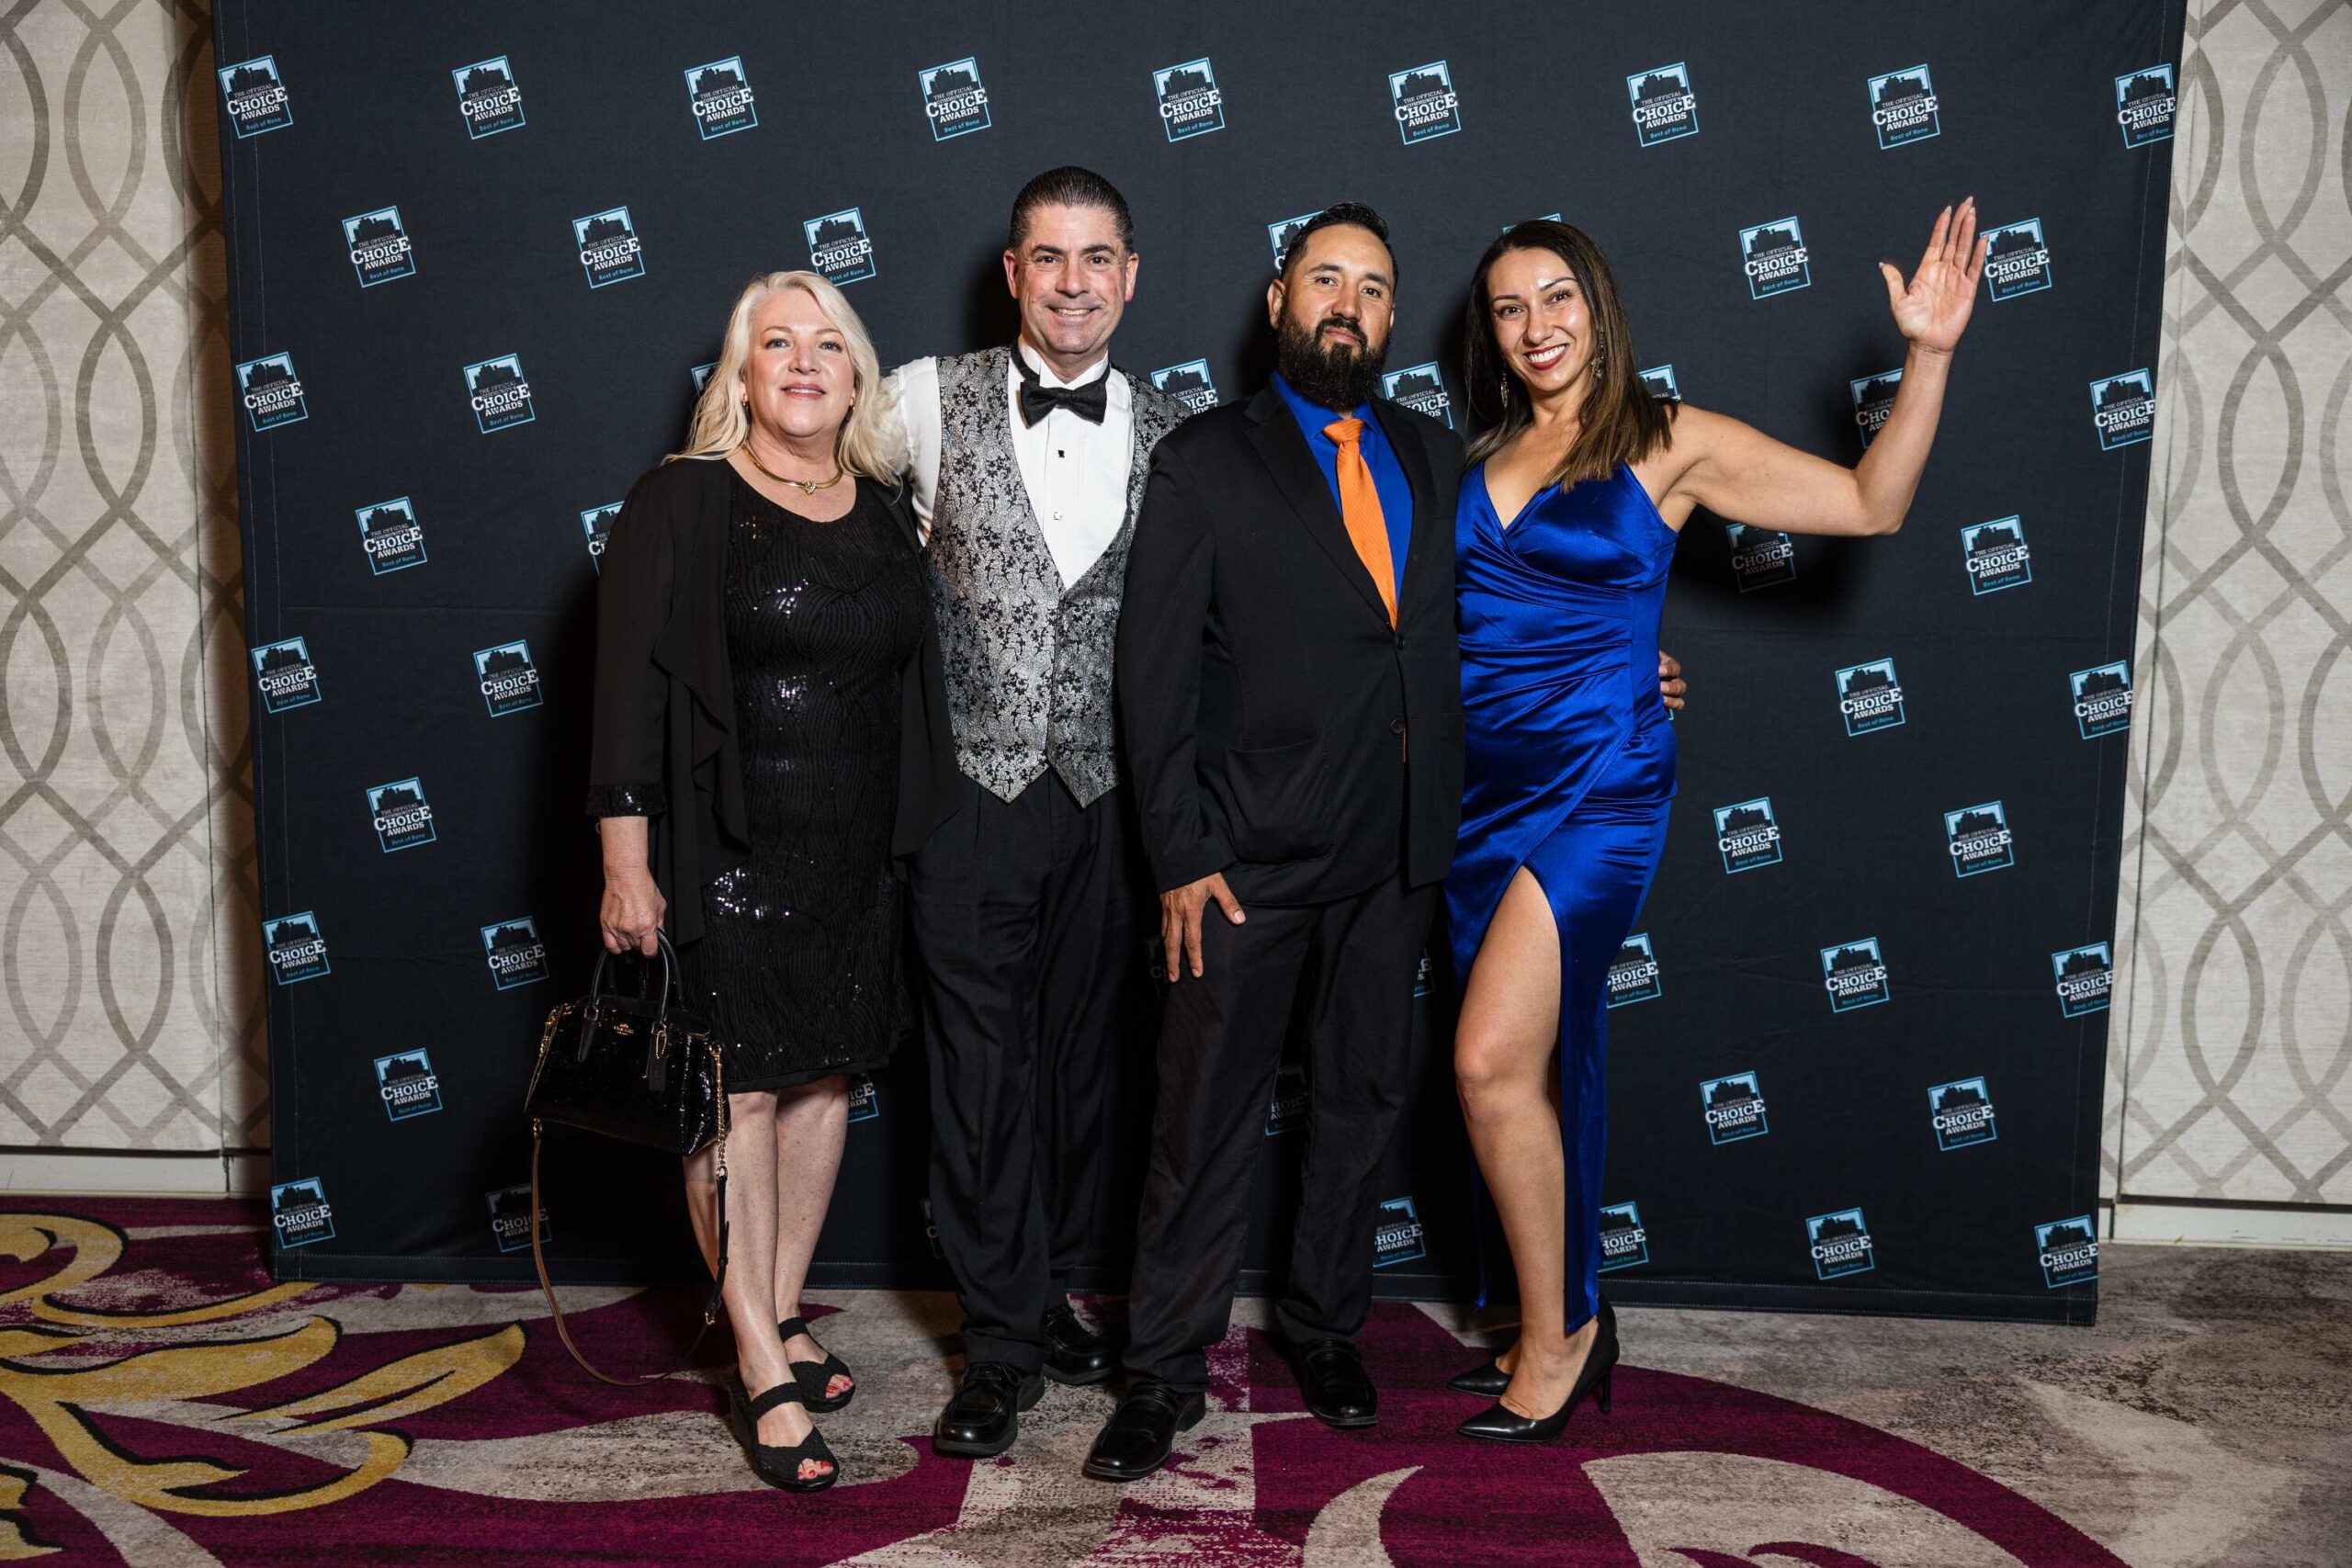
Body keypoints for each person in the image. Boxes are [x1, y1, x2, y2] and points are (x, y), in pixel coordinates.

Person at [1089, 203, 1687, 1483]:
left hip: (1402, 851)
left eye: (1371, 286)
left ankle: (1323, 1329)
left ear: (1393, 315)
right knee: (1201, 1118)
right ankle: (1163, 1372)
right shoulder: (1206, 459)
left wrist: (1631, 670)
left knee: (1359, 1106)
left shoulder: (1434, 456)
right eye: (1325, 279)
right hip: (1242, 862)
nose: (1346, 305)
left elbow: (1510, 619)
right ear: (1279, 302)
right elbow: (1151, 676)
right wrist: (1180, 852)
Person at [1442, 204, 1984, 1443]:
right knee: (1529, 1067)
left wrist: (1930, 355)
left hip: (1599, 789)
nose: (1536, 325)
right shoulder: (1477, 456)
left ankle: (1561, 1342)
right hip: (1478, 799)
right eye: (1511, 307)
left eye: (1558, 296)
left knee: (1487, 1063)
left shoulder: (1668, 439)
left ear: (1600, 305)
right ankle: (1551, 1314)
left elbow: (1870, 503)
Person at [587, 270, 957, 1490]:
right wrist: (627, 864)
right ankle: (755, 1353)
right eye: (777, 343)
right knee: (736, 1094)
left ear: (856, 377)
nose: (804, 362)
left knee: (821, 1083)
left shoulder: (886, 511)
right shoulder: (682, 500)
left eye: (828, 345)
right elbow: (624, 696)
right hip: (725, 856)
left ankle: (781, 1306)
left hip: (852, 859)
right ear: (740, 376)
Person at [886, 168, 1193, 1459]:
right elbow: (791, 490)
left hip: (1115, 800)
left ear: (1131, 275)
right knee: (976, 1072)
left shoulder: (1184, 431)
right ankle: (998, 1345)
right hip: (971, 793)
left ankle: (1049, 1290)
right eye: (1049, 258)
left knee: (1086, 1073)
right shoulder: (919, 398)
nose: (1074, 282)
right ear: (1013, 273)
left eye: (1097, 257)